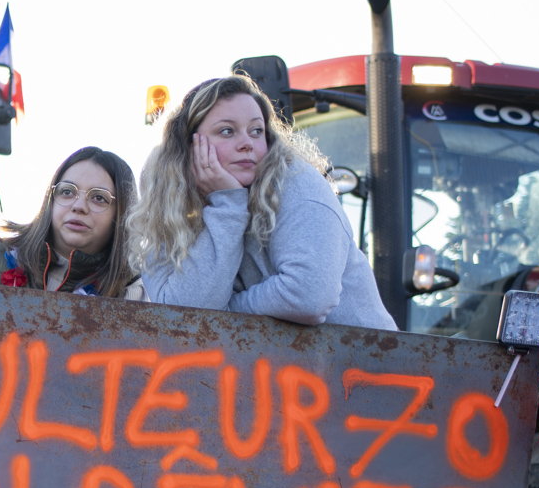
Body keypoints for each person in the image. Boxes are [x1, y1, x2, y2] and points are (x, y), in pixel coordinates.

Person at [129, 75, 395, 329]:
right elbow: (179, 315)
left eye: (257, 131)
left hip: (365, 367)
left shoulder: (298, 183)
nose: (247, 143)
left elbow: (309, 295)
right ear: (188, 145)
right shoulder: (168, 210)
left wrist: (225, 312)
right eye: (227, 131)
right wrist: (228, 206)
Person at [0, 147, 142, 298]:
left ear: (123, 215)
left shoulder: (133, 293)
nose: (79, 206)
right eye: (67, 192)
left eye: (99, 198)